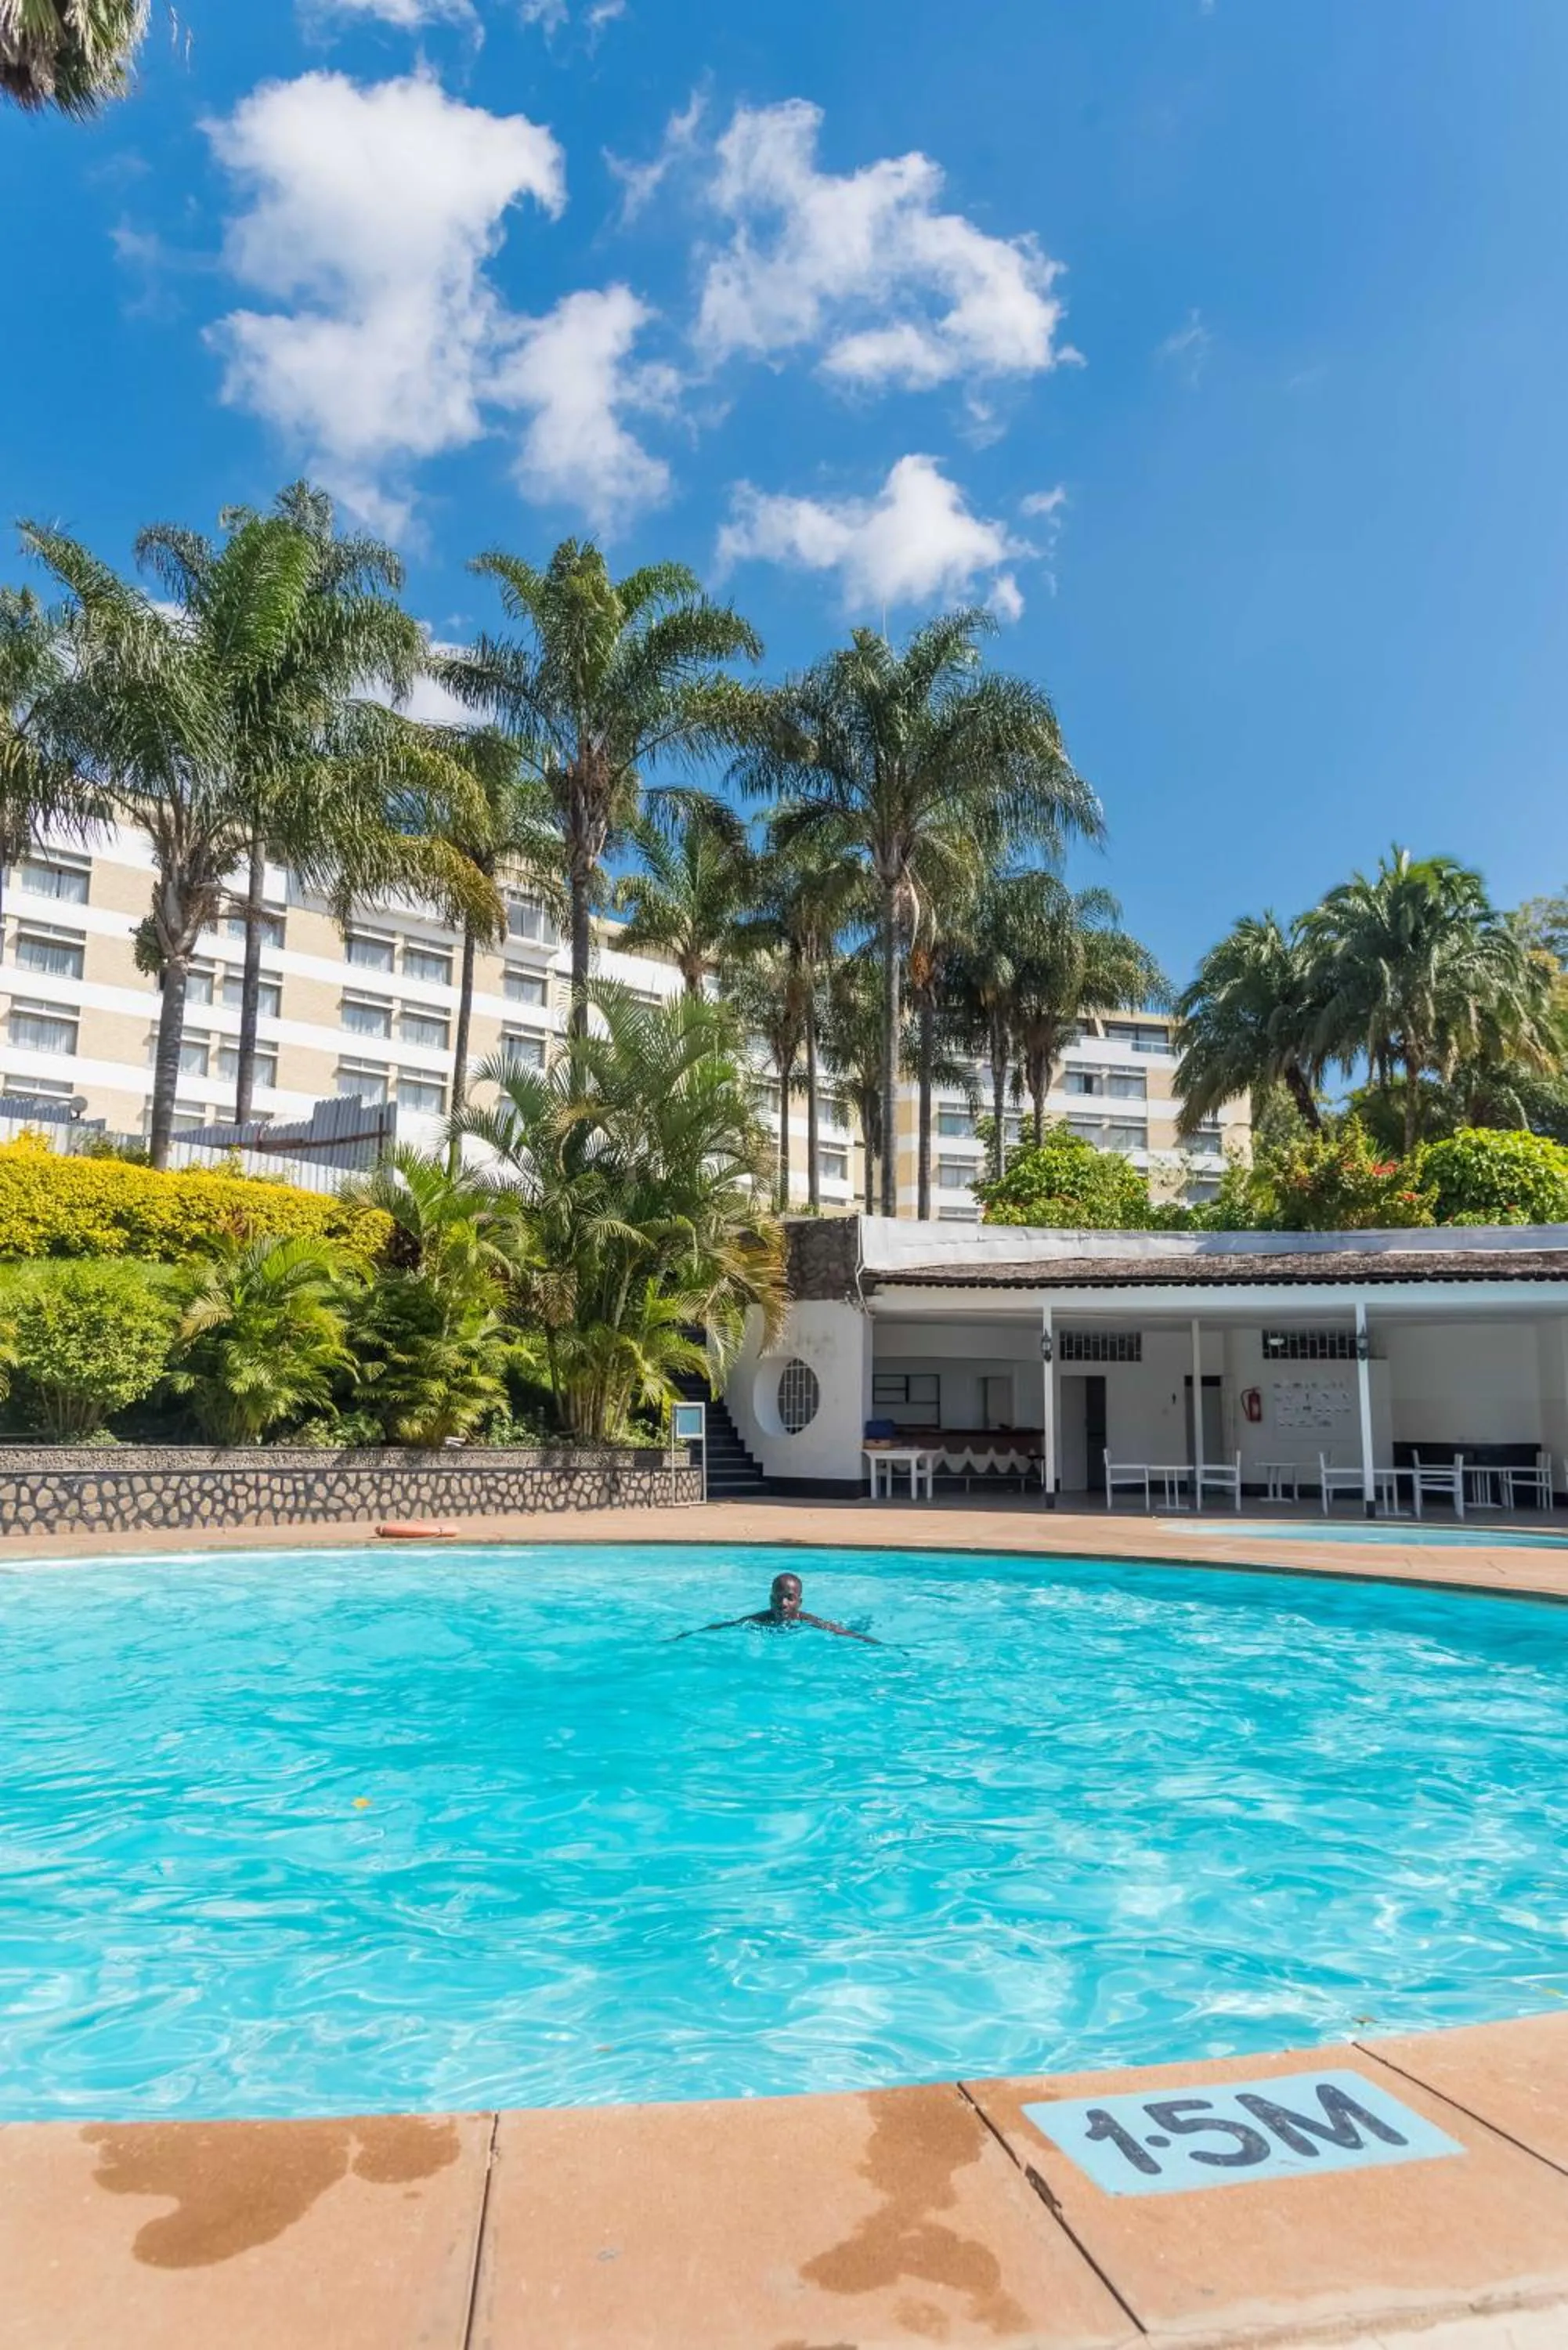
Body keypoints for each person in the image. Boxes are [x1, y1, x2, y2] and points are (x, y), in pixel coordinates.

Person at [675, 1571, 879, 1643]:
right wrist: (689, 1635)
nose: (783, 1604)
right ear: (770, 1599)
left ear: (799, 1602)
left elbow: (843, 1633)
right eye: (778, 1598)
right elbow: (726, 1626)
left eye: (790, 1598)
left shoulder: (809, 1622)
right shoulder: (758, 1620)